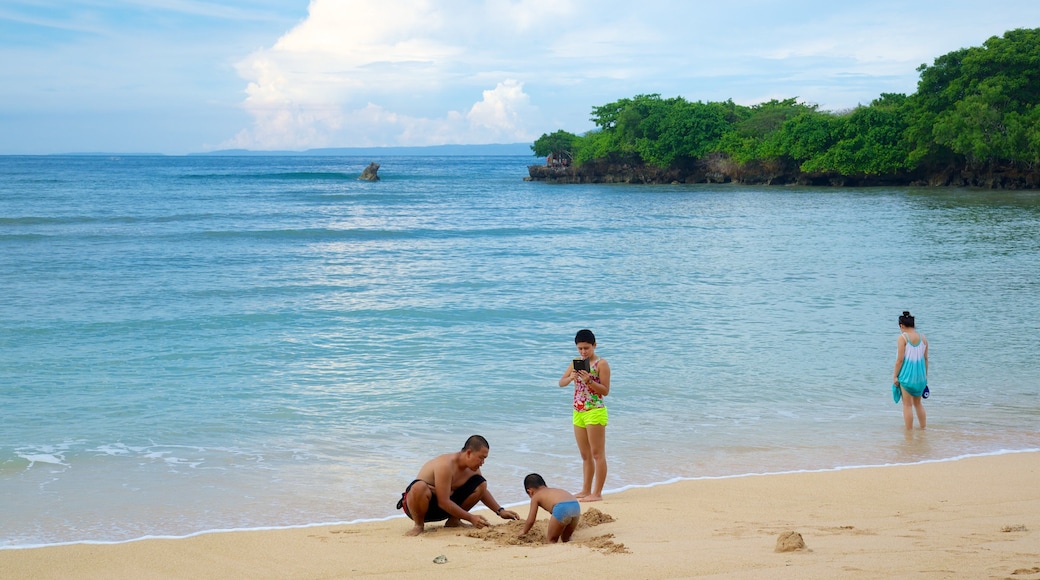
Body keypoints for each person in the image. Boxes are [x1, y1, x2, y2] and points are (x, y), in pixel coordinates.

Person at [396, 434, 519, 536]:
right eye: (481, 458)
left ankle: (453, 521)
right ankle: (418, 525)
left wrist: (500, 511)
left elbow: (482, 491)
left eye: (484, 459)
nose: (482, 463)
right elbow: (443, 501)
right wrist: (471, 518)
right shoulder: (445, 464)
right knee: (419, 487)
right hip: (419, 508)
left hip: (445, 509)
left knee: (481, 483)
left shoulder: (473, 469)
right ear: (469, 453)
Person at [558, 329, 610, 502]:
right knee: (585, 455)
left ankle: (597, 493)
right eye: (580, 348)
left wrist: (589, 380)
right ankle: (585, 489)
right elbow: (561, 382)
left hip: (594, 410)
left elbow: (605, 391)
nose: (583, 352)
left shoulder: (601, 364)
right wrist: (571, 377)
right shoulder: (576, 362)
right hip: (578, 411)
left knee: (597, 454)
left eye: (586, 348)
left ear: (594, 345)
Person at [519, 473, 581, 543]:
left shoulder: (536, 496)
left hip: (561, 508)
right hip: (575, 506)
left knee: (551, 540)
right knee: (566, 538)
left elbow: (531, 520)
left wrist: (524, 531)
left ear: (530, 492)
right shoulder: (553, 490)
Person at [892, 311, 928, 430]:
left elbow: (900, 360)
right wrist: (925, 377)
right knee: (918, 404)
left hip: (907, 377)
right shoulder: (923, 338)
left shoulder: (902, 338)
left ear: (901, 326)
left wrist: (895, 376)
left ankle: (908, 432)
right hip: (920, 377)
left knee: (907, 405)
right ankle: (923, 428)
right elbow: (926, 359)